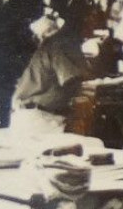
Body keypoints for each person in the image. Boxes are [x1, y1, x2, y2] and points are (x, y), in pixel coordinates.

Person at [9, 8, 89, 136]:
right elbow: (73, 81)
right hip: (37, 119)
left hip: (34, 116)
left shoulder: (52, 46)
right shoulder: (54, 45)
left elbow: (72, 80)